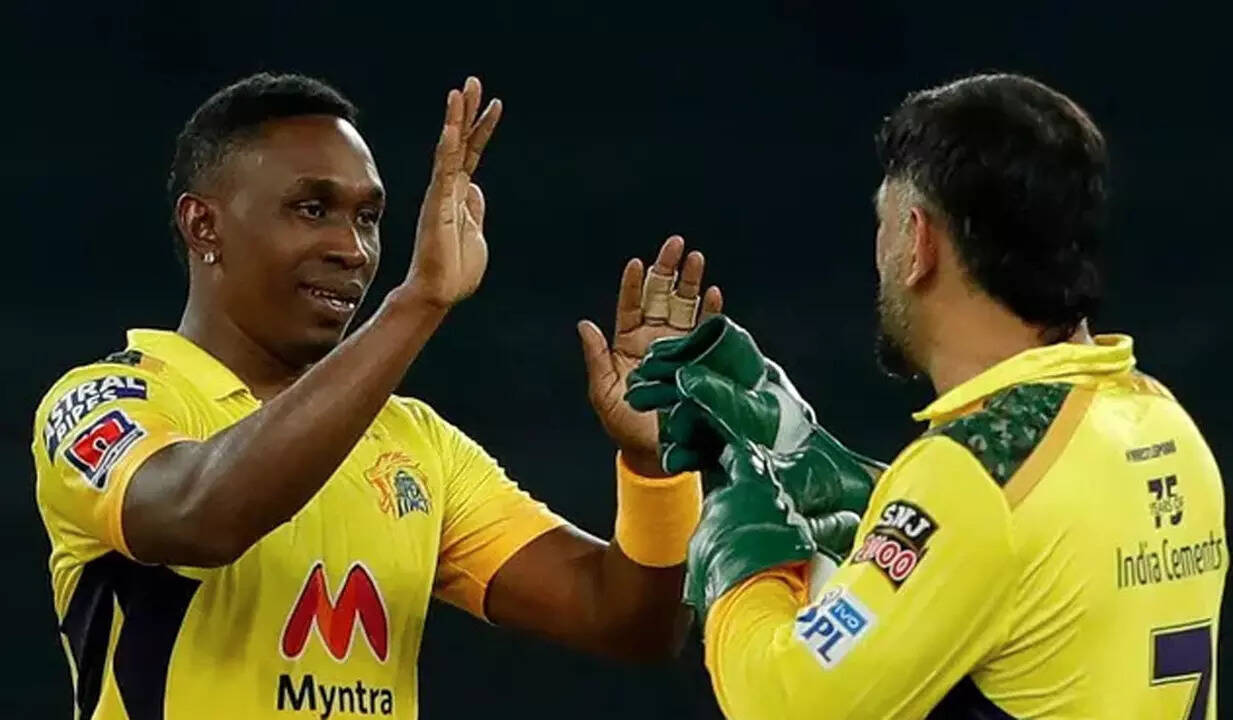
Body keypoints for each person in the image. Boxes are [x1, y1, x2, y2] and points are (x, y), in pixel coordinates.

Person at [31, 72, 723, 719]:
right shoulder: (106, 402)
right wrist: (419, 300)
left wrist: (653, 465)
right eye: (312, 209)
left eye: (367, 217)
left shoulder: (415, 444)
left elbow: (629, 623)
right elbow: (200, 519)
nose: (354, 249)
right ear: (202, 225)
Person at [627, 74, 1228, 719]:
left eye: (883, 225)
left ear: (918, 242)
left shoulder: (971, 479)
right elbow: (1011, 558)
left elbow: (787, 704)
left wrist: (739, 543)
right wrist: (851, 481)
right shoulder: (1157, 418)